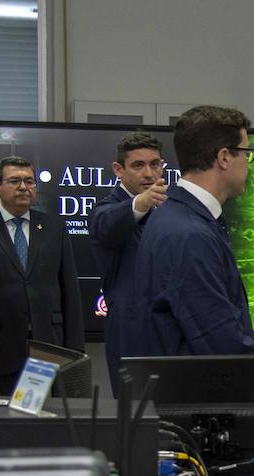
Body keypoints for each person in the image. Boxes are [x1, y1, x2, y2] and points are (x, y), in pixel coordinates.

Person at [130, 104, 254, 476]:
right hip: (206, 431)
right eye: (247, 152)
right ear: (224, 157)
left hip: (192, 424)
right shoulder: (189, 233)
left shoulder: (179, 217)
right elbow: (220, 343)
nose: (248, 163)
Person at [0, 156, 84, 395]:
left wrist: (74, 350)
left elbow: (69, 291)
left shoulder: (55, 228)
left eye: (29, 181)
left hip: (48, 347)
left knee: (46, 425)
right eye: (15, 181)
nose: (23, 187)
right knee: (0, 426)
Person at [91, 131, 167, 393]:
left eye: (155, 164)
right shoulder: (108, 208)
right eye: (138, 165)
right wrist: (141, 203)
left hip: (169, 329)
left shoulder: (170, 208)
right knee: (135, 415)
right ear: (118, 169)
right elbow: (106, 225)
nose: (149, 173)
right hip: (132, 331)